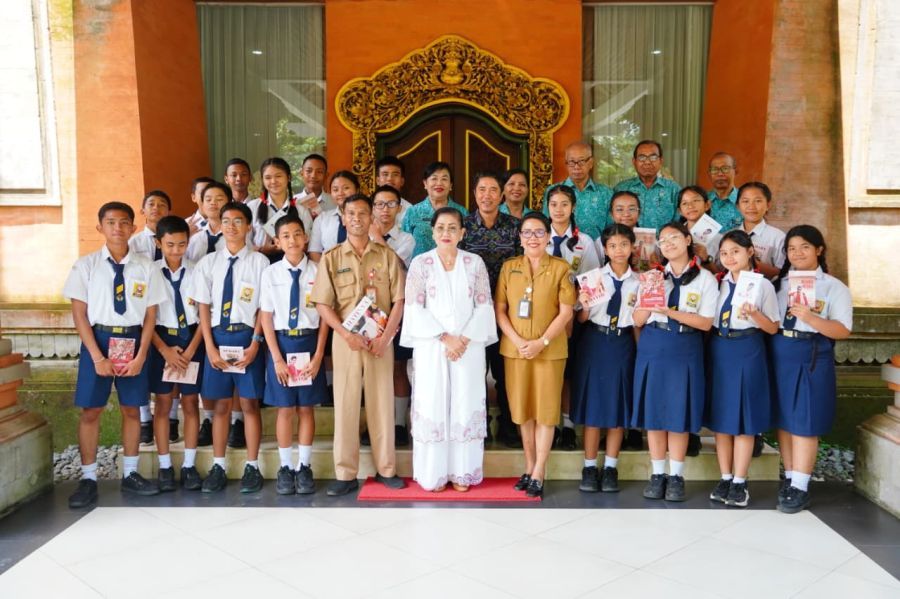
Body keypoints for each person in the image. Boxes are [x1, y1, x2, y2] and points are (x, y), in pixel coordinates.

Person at [63, 202, 166, 508]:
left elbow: (151, 316)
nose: (118, 229)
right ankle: (89, 478)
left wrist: (141, 355)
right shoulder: (86, 266)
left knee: (132, 409)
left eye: (124, 223)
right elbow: (79, 315)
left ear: (133, 228)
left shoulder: (146, 267)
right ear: (100, 228)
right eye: (111, 223)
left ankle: (131, 474)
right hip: (99, 339)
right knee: (91, 410)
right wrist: (97, 356)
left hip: (133, 341)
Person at [312, 193, 407, 496]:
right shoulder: (332, 258)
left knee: (382, 404)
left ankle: (386, 469)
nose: (356, 219)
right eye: (350, 213)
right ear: (342, 218)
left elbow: (399, 300)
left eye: (363, 213)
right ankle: (345, 473)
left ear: (372, 218)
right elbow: (323, 304)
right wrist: (345, 333)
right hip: (346, 342)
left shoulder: (386, 255)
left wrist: (385, 337)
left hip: (380, 341)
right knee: (346, 404)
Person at [401, 207, 497, 491]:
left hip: (468, 347)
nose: (446, 233)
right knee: (433, 404)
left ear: (462, 233)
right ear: (432, 232)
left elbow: (484, 304)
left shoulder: (475, 263)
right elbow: (414, 307)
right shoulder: (420, 264)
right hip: (432, 346)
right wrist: (445, 338)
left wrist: (463, 340)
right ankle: (434, 474)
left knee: (465, 404)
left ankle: (462, 472)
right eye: (441, 228)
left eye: (452, 228)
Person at [631, 221, 718, 502]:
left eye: (673, 238)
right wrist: (647, 298)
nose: (667, 244)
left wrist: (669, 311)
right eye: (663, 240)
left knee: (679, 413)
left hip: (685, 345)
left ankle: (677, 475)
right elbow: (638, 320)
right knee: (655, 414)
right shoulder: (653, 276)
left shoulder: (705, 279)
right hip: (655, 343)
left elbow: (705, 323)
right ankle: (657, 475)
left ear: (688, 239)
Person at [771, 225, 852, 514]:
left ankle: (802, 487)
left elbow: (842, 330)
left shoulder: (834, 287)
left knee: (804, 418)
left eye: (805, 247)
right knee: (784, 418)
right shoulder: (779, 285)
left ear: (819, 250)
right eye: (792, 248)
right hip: (781, 351)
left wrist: (811, 317)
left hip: (812, 352)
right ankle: (791, 476)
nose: (797, 253)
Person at [192, 201, 270, 493]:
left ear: (249, 226)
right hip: (218, 337)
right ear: (220, 225)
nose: (232, 226)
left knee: (249, 404)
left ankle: (252, 466)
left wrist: (255, 343)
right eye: (226, 221)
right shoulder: (208, 263)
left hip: (247, 337)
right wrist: (209, 348)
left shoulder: (260, 263)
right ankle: (219, 465)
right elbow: (203, 308)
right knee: (221, 405)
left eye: (238, 221)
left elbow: (264, 308)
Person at [495, 213, 576, 498]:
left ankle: (540, 469)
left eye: (538, 232)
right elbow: (500, 309)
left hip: (549, 351)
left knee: (545, 412)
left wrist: (541, 342)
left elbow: (566, 312)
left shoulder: (562, 268)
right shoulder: (509, 268)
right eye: (527, 233)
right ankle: (528, 466)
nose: (533, 238)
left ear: (548, 236)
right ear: (519, 237)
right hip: (515, 351)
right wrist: (518, 340)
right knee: (523, 411)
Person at [707, 230, 779, 508]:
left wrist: (755, 314)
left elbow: (772, 327)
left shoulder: (763, 286)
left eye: (735, 251)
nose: (729, 258)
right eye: (724, 253)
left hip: (748, 348)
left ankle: (740, 481)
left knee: (744, 419)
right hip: (720, 348)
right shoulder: (717, 283)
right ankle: (725, 477)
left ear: (750, 252)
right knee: (721, 419)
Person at [259, 214, 328, 495]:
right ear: (277, 241)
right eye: (285, 235)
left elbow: (324, 317)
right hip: (283, 344)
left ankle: (304, 466)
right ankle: (285, 466)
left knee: (306, 408)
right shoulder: (270, 274)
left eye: (297, 234)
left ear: (306, 237)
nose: (292, 240)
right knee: (285, 408)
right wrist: (276, 358)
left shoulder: (318, 271)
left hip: (309, 343)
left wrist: (319, 354)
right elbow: (266, 317)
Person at [571, 224, 639, 493]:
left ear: (632, 247)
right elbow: (581, 318)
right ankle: (589, 466)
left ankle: (611, 466)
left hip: (623, 343)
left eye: (624, 244)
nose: (618, 250)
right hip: (595, 342)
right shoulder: (593, 277)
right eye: (612, 246)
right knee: (594, 408)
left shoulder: (641, 281)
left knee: (618, 408)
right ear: (605, 249)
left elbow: (637, 323)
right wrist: (585, 304)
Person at [458, 172, 522, 447]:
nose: (487, 195)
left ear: (502, 195)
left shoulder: (515, 226)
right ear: (474, 194)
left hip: (507, 311)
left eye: (493, 189)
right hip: (472, 313)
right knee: (474, 371)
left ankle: (508, 426)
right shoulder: (463, 227)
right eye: (482, 189)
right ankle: (478, 427)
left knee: (505, 371)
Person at [148, 216, 205, 491]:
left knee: (191, 402)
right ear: (159, 243)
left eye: (182, 244)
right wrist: (165, 350)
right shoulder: (149, 272)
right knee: (162, 403)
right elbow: (145, 319)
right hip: (161, 339)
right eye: (169, 244)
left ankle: (190, 465)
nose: (176, 250)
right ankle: (165, 466)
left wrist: (192, 348)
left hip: (192, 337)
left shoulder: (198, 271)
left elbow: (206, 314)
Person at [544, 184, 601, 450]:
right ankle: (548, 423)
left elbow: (590, 282)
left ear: (573, 207)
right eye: (553, 204)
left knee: (568, 373)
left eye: (564, 204)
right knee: (547, 372)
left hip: (574, 318)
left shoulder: (584, 241)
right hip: (543, 318)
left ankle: (566, 425)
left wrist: (572, 309)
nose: (558, 209)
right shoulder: (538, 237)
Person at [370, 185, 415, 445]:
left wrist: (377, 238)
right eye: (379, 204)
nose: (384, 210)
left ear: (399, 209)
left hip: (397, 308)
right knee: (374, 369)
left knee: (398, 367)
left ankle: (398, 423)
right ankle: (376, 423)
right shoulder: (360, 235)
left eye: (390, 205)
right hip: (369, 310)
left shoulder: (407, 239)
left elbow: (398, 267)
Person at [129, 190, 173, 443]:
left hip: (169, 311)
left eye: (162, 204)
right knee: (144, 368)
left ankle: (173, 417)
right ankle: (145, 418)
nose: (156, 208)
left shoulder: (175, 239)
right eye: (151, 204)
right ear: (142, 210)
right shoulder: (134, 243)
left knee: (170, 370)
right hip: (142, 312)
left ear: (168, 210)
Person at [246, 157, 314, 261]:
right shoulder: (252, 207)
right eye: (268, 178)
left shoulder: (301, 210)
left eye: (278, 176)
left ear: (289, 177)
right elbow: (244, 242)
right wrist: (261, 249)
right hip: (258, 265)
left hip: (293, 264)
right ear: (262, 180)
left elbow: (308, 242)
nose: (273, 181)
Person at [541, 141, 612, 239]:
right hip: (559, 249)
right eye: (571, 162)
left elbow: (611, 230)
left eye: (581, 161)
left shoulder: (606, 193)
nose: (576, 167)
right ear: (566, 164)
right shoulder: (553, 191)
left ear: (591, 163)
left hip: (597, 252)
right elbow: (545, 224)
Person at [402, 161, 468, 258]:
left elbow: (467, 244)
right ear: (425, 183)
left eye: (444, 179)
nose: (439, 183)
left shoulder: (462, 212)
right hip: (421, 269)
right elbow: (404, 244)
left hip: (453, 268)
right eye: (434, 178)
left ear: (450, 185)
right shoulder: (413, 212)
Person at [614, 140, 681, 232]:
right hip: (628, 243)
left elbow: (680, 221)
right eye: (642, 157)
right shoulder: (622, 188)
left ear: (661, 161)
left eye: (653, 157)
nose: (647, 162)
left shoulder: (673, 189)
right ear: (634, 161)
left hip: (664, 244)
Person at [737, 181, 785, 279]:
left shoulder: (778, 237)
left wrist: (752, 263)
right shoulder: (728, 235)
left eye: (758, 201)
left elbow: (783, 273)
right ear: (738, 206)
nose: (751, 206)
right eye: (745, 201)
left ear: (768, 205)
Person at [308, 171, 360, 262]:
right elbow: (314, 251)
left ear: (357, 190)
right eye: (335, 190)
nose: (340, 193)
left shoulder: (367, 218)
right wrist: (325, 273)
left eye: (346, 188)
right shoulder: (322, 219)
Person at [706, 152, 744, 232]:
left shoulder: (745, 201)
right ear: (709, 174)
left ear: (736, 171)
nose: (720, 174)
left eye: (725, 168)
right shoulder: (702, 200)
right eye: (714, 169)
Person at [296, 153, 335, 218]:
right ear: (301, 173)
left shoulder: (334, 202)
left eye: (319, 172)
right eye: (309, 171)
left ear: (326, 176)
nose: (313, 176)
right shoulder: (293, 202)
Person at [375, 155, 413, 223]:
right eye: (385, 174)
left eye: (395, 175)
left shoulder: (410, 210)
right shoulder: (366, 206)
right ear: (378, 180)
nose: (389, 179)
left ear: (402, 181)